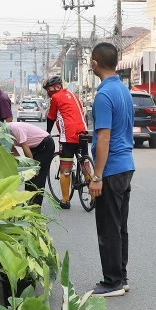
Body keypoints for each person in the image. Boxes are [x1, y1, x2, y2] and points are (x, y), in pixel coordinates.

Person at [88, 42, 135, 297]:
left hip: (112, 168)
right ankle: (121, 276)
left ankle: (112, 281)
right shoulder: (123, 90)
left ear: (95, 63)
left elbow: (104, 137)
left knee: (108, 227)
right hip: (126, 166)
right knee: (119, 226)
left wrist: (97, 175)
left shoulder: (104, 95)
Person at [44, 75, 90, 209]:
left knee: (65, 169)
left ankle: (65, 200)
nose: (48, 92)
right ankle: (93, 197)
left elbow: (51, 117)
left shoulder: (55, 98)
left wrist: (47, 133)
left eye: (48, 89)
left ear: (53, 88)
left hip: (68, 136)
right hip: (82, 132)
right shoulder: (73, 95)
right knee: (85, 164)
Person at [6, 120, 55, 205]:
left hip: (45, 145)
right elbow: (13, 151)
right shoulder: (6, 134)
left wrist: (33, 167)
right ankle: (28, 204)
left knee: (37, 177)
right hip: (34, 147)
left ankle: (35, 207)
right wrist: (21, 165)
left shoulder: (15, 129)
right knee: (28, 176)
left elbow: (25, 146)